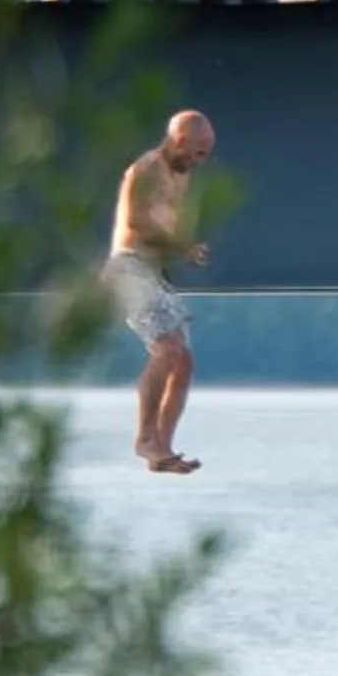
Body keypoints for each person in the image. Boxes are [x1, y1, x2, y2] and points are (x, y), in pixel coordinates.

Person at [103, 111, 216, 474]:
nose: (201, 162)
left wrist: (185, 248)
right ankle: (145, 438)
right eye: (198, 153)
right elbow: (136, 222)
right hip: (128, 268)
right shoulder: (147, 168)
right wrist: (184, 246)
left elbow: (163, 228)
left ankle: (162, 448)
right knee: (167, 351)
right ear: (179, 140)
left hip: (152, 274)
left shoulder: (180, 176)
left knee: (184, 361)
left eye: (207, 154)